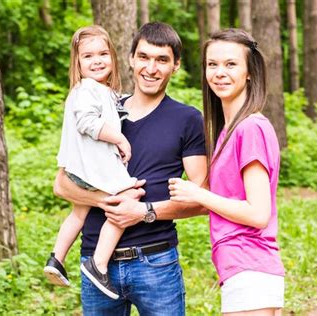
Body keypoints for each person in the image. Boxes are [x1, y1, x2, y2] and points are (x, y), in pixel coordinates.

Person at [53, 22, 207, 315]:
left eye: (162, 60)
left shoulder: (187, 119)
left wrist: (144, 211)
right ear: (131, 59)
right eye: (145, 57)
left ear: (175, 66)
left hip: (156, 262)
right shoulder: (100, 113)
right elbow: (61, 184)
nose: (151, 68)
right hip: (96, 263)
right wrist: (104, 200)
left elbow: (203, 198)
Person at [168, 28, 285, 315]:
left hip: (251, 266)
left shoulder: (250, 128)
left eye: (231, 64)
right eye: (212, 64)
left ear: (249, 72)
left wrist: (198, 193)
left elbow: (258, 214)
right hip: (239, 267)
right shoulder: (228, 131)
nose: (219, 72)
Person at [43, 25, 142, 300]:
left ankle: (56, 258)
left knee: (79, 213)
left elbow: (115, 110)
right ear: (78, 63)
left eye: (102, 53)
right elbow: (88, 123)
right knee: (129, 197)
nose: (97, 60)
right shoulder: (87, 89)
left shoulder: (100, 91)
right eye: (88, 56)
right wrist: (121, 140)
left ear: (112, 56)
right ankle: (98, 264)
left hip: (79, 168)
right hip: (92, 168)